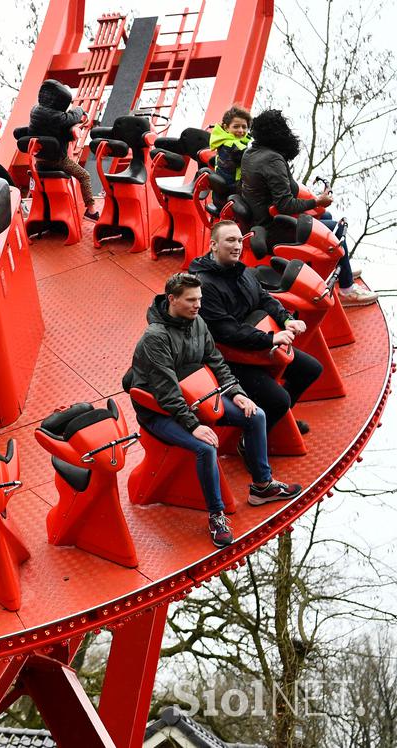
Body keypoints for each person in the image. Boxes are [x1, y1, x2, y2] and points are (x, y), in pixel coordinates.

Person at [125, 273, 303, 548]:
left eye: (199, 299)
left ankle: (262, 486)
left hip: (198, 396)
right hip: (160, 410)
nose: (198, 305)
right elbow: (166, 392)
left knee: (255, 415)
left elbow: (216, 362)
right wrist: (193, 425)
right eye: (191, 300)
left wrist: (238, 394)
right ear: (172, 299)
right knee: (204, 447)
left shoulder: (197, 322)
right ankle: (216, 515)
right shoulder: (155, 338)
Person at [190, 220, 323, 437]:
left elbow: (264, 298)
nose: (237, 246)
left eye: (240, 240)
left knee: (311, 369)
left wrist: (287, 319)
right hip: (230, 357)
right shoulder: (204, 285)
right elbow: (227, 331)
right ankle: (248, 442)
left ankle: (276, 421)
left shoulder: (242, 271)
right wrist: (270, 339)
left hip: (255, 345)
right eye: (230, 240)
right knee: (279, 400)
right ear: (213, 245)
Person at [240, 110, 375, 306]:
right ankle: (347, 290)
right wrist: (317, 201)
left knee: (325, 216)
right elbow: (285, 205)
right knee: (335, 230)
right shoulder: (272, 159)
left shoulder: (250, 153)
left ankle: (341, 266)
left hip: (262, 219)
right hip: (275, 227)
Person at [13, 79, 98, 220]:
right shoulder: (56, 116)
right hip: (57, 161)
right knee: (84, 176)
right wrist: (80, 110)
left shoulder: (35, 110)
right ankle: (91, 211)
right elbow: (72, 117)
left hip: (38, 163)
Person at [209, 105, 251, 203]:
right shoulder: (232, 145)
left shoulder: (224, 141)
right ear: (226, 127)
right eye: (236, 126)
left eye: (244, 127)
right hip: (229, 197)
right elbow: (252, 158)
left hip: (220, 195)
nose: (241, 130)